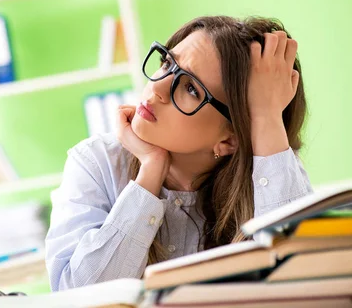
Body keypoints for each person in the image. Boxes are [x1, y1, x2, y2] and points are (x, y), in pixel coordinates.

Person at [45, 16, 313, 291]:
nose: (157, 87)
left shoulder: (275, 174)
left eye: (190, 89)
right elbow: (77, 297)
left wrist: (266, 117)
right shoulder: (96, 162)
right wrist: (150, 173)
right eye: (167, 63)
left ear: (230, 139)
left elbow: (304, 289)